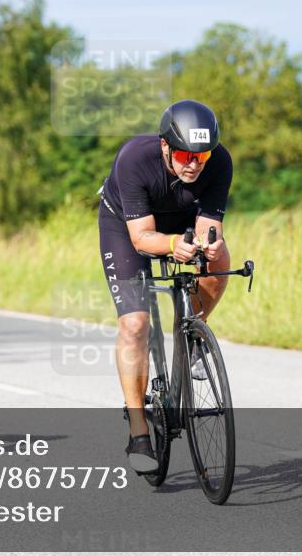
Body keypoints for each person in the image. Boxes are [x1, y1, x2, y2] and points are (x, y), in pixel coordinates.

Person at [98, 99, 233, 473]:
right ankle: (139, 429)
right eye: (185, 155)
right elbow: (142, 238)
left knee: (220, 256)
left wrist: (209, 245)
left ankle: (192, 334)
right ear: (164, 146)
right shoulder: (134, 159)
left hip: (181, 219)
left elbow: (210, 227)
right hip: (127, 227)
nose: (194, 164)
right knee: (135, 324)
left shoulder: (220, 162)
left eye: (201, 155)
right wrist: (173, 244)